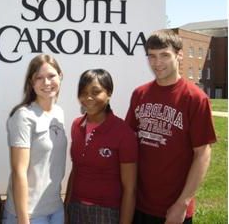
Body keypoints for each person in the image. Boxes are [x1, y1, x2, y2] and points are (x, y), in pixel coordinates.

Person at [125, 29, 217, 224]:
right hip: (139, 203)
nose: (157, 63)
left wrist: (182, 203)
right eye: (152, 56)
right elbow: (129, 142)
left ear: (179, 55)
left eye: (165, 55)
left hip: (173, 207)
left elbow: (202, 153)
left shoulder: (195, 98)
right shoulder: (140, 94)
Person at [65, 69, 138, 224]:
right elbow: (75, 170)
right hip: (76, 209)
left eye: (96, 92)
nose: (88, 97)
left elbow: (130, 189)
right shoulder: (76, 125)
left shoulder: (123, 132)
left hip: (107, 213)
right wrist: (66, 209)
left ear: (109, 93)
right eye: (83, 92)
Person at [2, 54, 67, 224]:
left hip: (55, 209)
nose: (46, 83)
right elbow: (19, 172)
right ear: (31, 83)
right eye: (39, 78)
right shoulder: (23, 116)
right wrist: (23, 220)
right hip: (29, 214)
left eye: (51, 76)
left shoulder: (58, 113)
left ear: (60, 76)